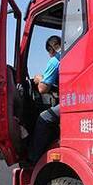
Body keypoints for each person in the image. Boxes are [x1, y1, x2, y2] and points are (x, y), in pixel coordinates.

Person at [30, 35, 61, 163]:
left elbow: (42, 89)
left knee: (44, 118)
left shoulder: (55, 60)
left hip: (72, 103)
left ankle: (35, 158)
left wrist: (39, 78)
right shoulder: (73, 53)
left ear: (51, 49)